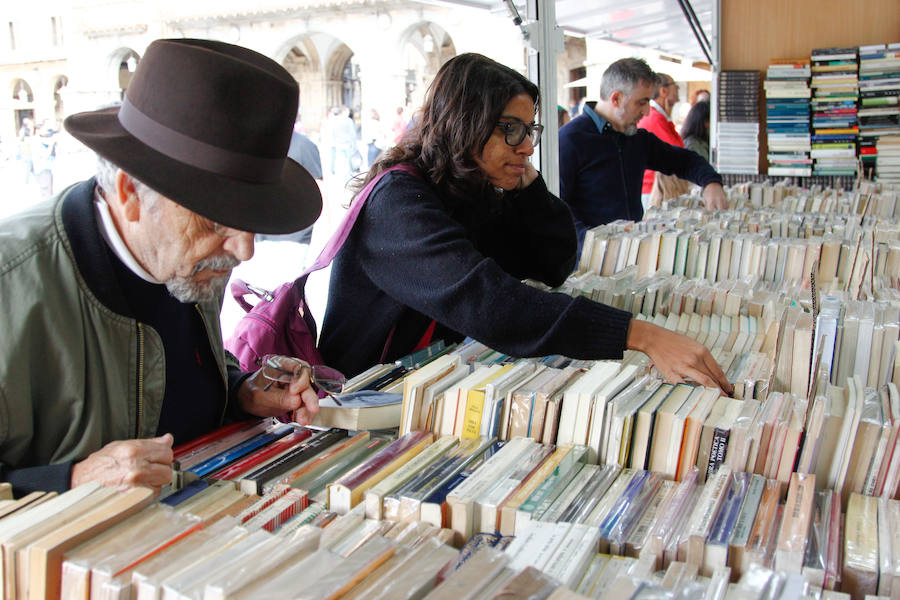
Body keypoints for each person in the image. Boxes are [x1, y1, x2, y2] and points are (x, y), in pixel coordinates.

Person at [0, 38, 323, 498]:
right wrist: (70, 481)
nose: (245, 248)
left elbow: (169, 391)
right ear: (131, 194)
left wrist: (240, 391)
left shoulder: (195, 258)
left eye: (251, 219)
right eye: (215, 217)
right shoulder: (10, 286)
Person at [318, 53, 732, 401]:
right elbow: (488, 303)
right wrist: (639, 335)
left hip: (429, 385)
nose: (527, 144)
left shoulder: (472, 190)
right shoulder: (397, 201)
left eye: (529, 129)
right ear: (465, 123)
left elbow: (551, 266)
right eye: (510, 129)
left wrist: (526, 182)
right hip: (364, 396)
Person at [558, 58, 727, 246]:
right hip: (587, 261)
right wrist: (593, 245)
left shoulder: (637, 139)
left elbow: (683, 160)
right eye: (641, 102)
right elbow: (556, 210)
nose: (646, 112)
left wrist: (711, 181)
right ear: (616, 98)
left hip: (630, 254)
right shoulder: (570, 140)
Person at [638, 73, 684, 198]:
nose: (678, 89)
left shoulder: (661, 118)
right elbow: (677, 154)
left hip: (658, 189)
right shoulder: (655, 118)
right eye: (675, 86)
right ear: (663, 91)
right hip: (655, 191)